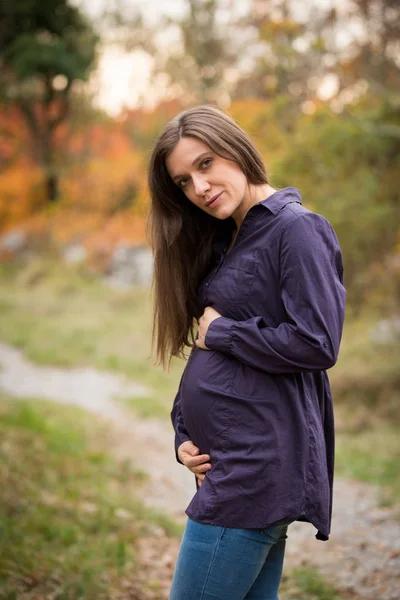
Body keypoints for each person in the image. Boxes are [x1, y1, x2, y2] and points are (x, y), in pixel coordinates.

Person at [148, 105, 346, 600]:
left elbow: (318, 341)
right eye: (183, 182)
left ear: (236, 149)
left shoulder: (296, 229)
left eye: (206, 163)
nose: (199, 186)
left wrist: (225, 334)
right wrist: (184, 434)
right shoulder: (227, 241)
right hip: (234, 465)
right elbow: (206, 354)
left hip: (255, 471)